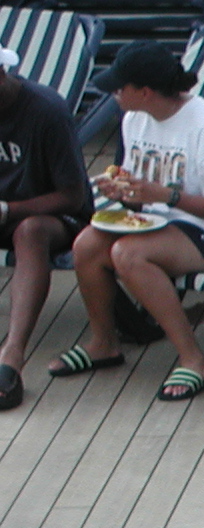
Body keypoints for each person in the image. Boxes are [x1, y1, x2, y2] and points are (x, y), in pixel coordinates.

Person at [49, 42, 204, 403]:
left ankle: (195, 360)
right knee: (87, 244)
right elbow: (142, 192)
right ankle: (103, 343)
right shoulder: (135, 119)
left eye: (120, 88)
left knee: (128, 254)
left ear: (145, 92)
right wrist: (123, 190)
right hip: (160, 223)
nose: (114, 94)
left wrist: (165, 195)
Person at [0, 46, 90, 411]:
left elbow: (73, 195)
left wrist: (9, 209)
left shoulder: (45, 110)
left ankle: (11, 356)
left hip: (55, 216)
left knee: (30, 232)